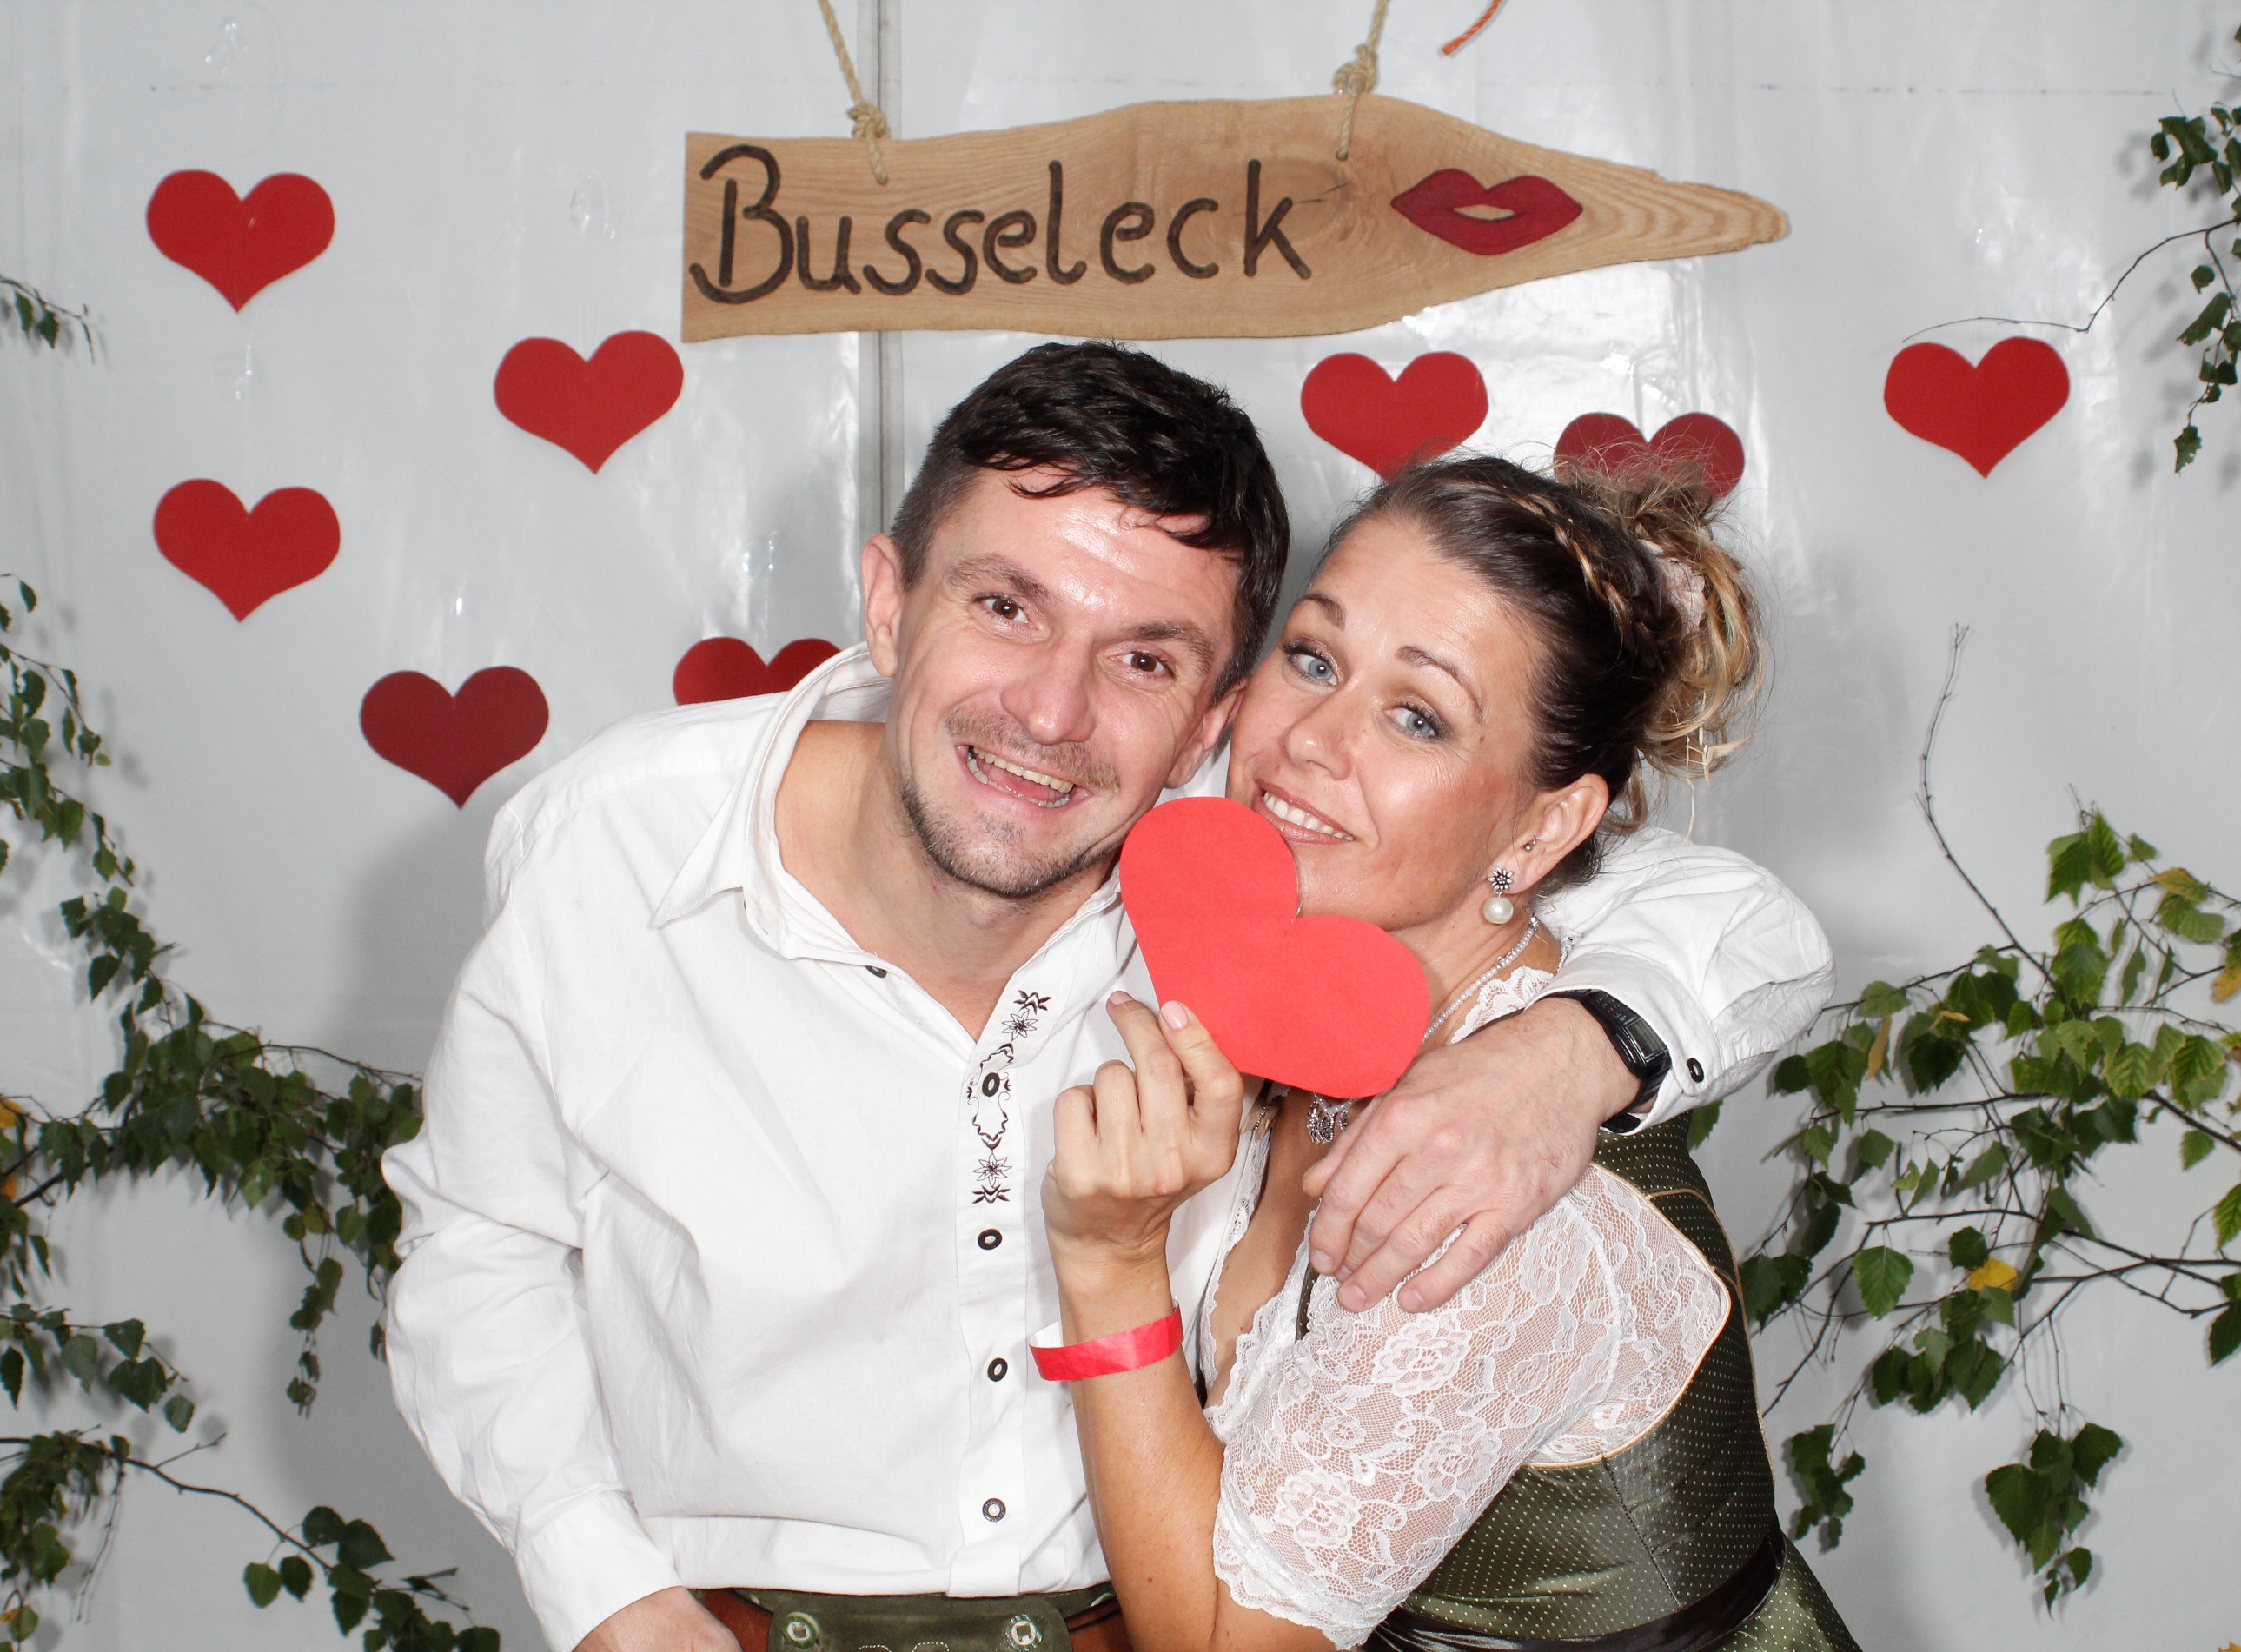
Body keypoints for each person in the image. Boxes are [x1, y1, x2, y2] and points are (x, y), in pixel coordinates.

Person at [380, 344, 1833, 1652]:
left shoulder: (1243, 836)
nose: (1052, 712)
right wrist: (608, 1594)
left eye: (1144, 656)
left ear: (1209, 710)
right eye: (1006, 605)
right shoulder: (615, 844)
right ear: (888, 601)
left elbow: (1720, 910)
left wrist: (1575, 1050)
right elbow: (478, 1243)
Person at [1040, 456, 1857, 1652]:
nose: (1312, 740)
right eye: (1314, 658)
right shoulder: (1288, 944)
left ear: (1544, 825)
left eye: (1416, 716)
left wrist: (1110, 1264)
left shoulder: (1485, 1198)